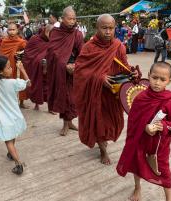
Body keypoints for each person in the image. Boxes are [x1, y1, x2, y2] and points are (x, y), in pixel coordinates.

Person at [116, 62, 171, 201]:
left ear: (169, 81)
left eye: (162, 79)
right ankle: (137, 187)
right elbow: (133, 120)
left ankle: (169, 200)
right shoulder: (141, 98)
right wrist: (145, 127)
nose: (157, 82)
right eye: (154, 77)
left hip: (159, 145)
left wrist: (163, 126)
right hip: (140, 141)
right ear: (149, 76)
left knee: (164, 171)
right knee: (137, 163)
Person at [74, 14, 139, 165]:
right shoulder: (88, 47)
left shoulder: (118, 46)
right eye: (104, 28)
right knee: (99, 123)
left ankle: (104, 143)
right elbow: (80, 71)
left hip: (114, 93)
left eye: (111, 28)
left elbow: (124, 66)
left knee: (112, 122)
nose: (108, 32)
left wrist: (132, 72)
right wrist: (99, 77)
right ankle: (103, 149)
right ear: (97, 28)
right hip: (96, 94)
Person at [45, 6, 83, 136]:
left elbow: (81, 53)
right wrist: (64, 64)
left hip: (73, 71)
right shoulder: (56, 32)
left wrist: (76, 65)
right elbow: (52, 52)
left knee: (72, 99)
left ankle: (70, 122)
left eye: (74, 19)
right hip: (60, 71)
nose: (72, 21)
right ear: (63, 18)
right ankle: (65, 124)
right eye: (69, 18)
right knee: (64, 97)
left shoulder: (77, 34)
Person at [23, 24, 54, 110]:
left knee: (48, 88)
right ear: (45, 31)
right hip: (35, 68)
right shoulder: (35, 39)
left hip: (48, 69)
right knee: (37, 86)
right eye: (49, 33)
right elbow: (28, 53)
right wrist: (39, 61)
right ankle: (37, 104)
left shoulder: (54, 41)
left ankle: (50, 107)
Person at [0, 23, 28, 108]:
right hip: (7, 66)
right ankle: (10, 102)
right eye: (10, 30)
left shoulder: (21, 41)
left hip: (18, 65)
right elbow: (1, 53)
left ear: (17, 30)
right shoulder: (4, 41)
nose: (11, 32)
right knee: (8, 84)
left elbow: (27, 51)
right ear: (7, 31)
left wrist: (19, 55)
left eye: (13, 29)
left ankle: (21, 102)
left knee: (21, 82)